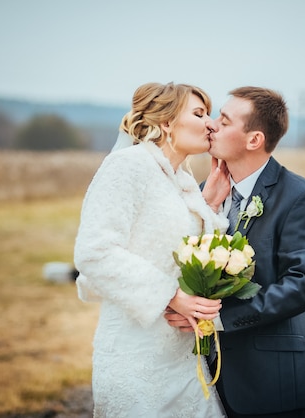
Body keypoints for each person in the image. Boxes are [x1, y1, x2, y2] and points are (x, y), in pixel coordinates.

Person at [166, 86, 305, 417]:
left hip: (270, 381)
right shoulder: (204, 193)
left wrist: (219, 319)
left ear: (253, 140)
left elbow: (302, 285)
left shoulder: (301, 197)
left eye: (224, 122)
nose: (211, 125)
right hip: (203, 382)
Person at [74, 82, 231, 417]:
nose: (211, 123)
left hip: (183, 357)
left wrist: (211, 205)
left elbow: (183, 250)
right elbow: (95, 251)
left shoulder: (184, 182)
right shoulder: (127, 166)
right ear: (167, 123)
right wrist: (172, 297)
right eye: (200, 113)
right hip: (136, 353)